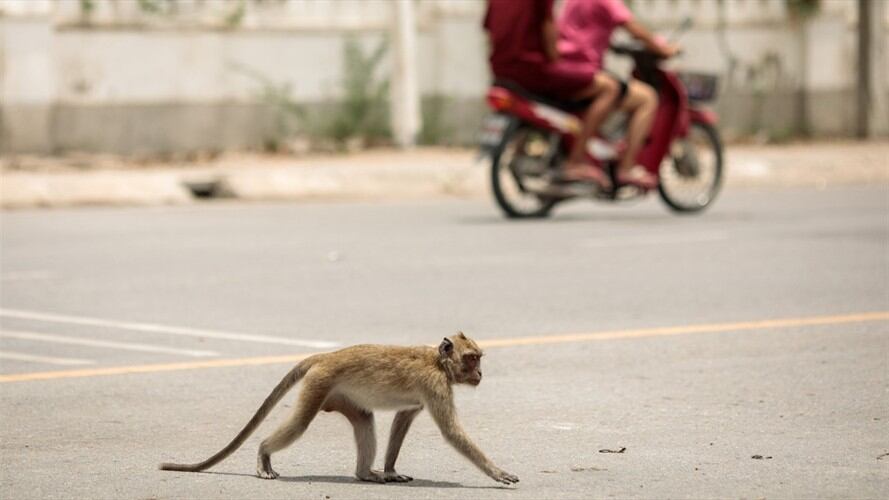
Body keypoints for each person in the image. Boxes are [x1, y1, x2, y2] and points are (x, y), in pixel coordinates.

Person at [483, 0, 618, 189]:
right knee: (609, 87)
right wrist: (555, 60)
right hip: (534, 70)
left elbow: (489, 31)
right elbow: (548, 26)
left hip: (501, 71)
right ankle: (576, 159)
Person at [558, 0, 680, 188]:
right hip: (583, 70)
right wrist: (663, 49)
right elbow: (634, 29)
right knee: (646, 98)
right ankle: (626, 167)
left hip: (563, 67)